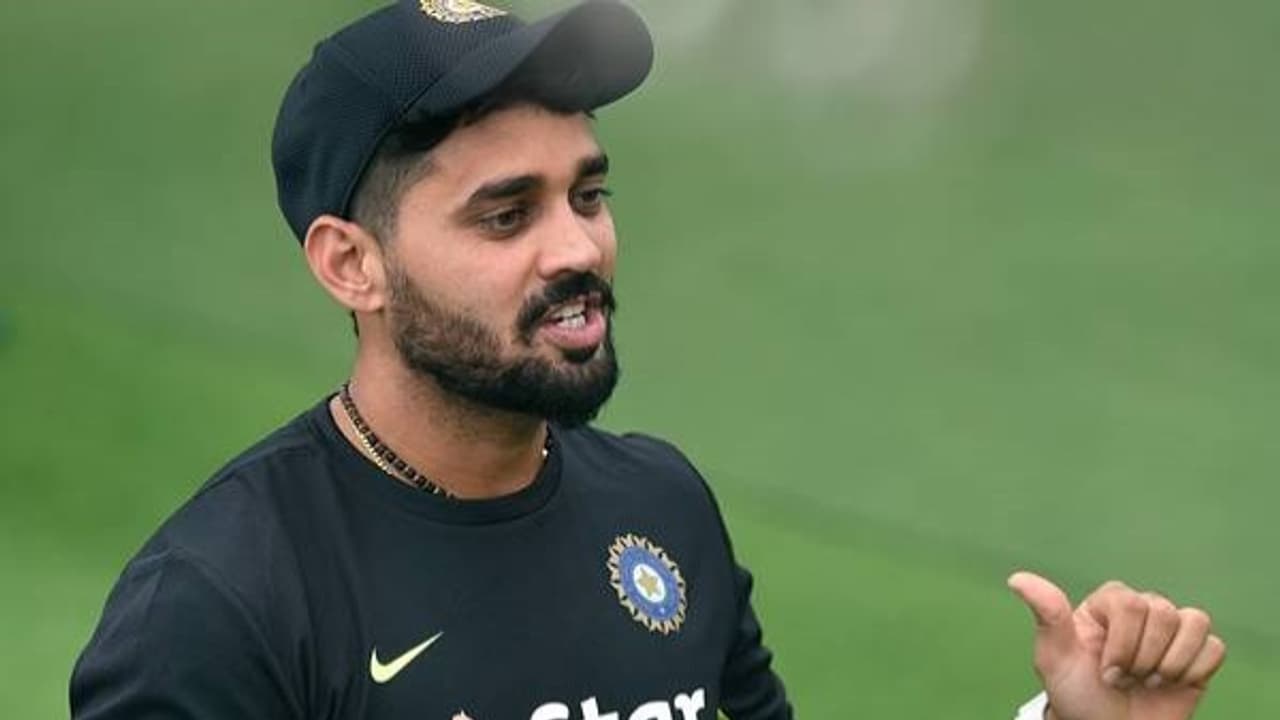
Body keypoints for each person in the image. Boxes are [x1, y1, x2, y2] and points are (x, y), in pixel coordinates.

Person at [70, 1, 1226, 719]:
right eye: (505, 215)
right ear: (350, 265)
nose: (578, 249)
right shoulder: (224, 605)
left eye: (588, 194)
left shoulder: (659, 505)